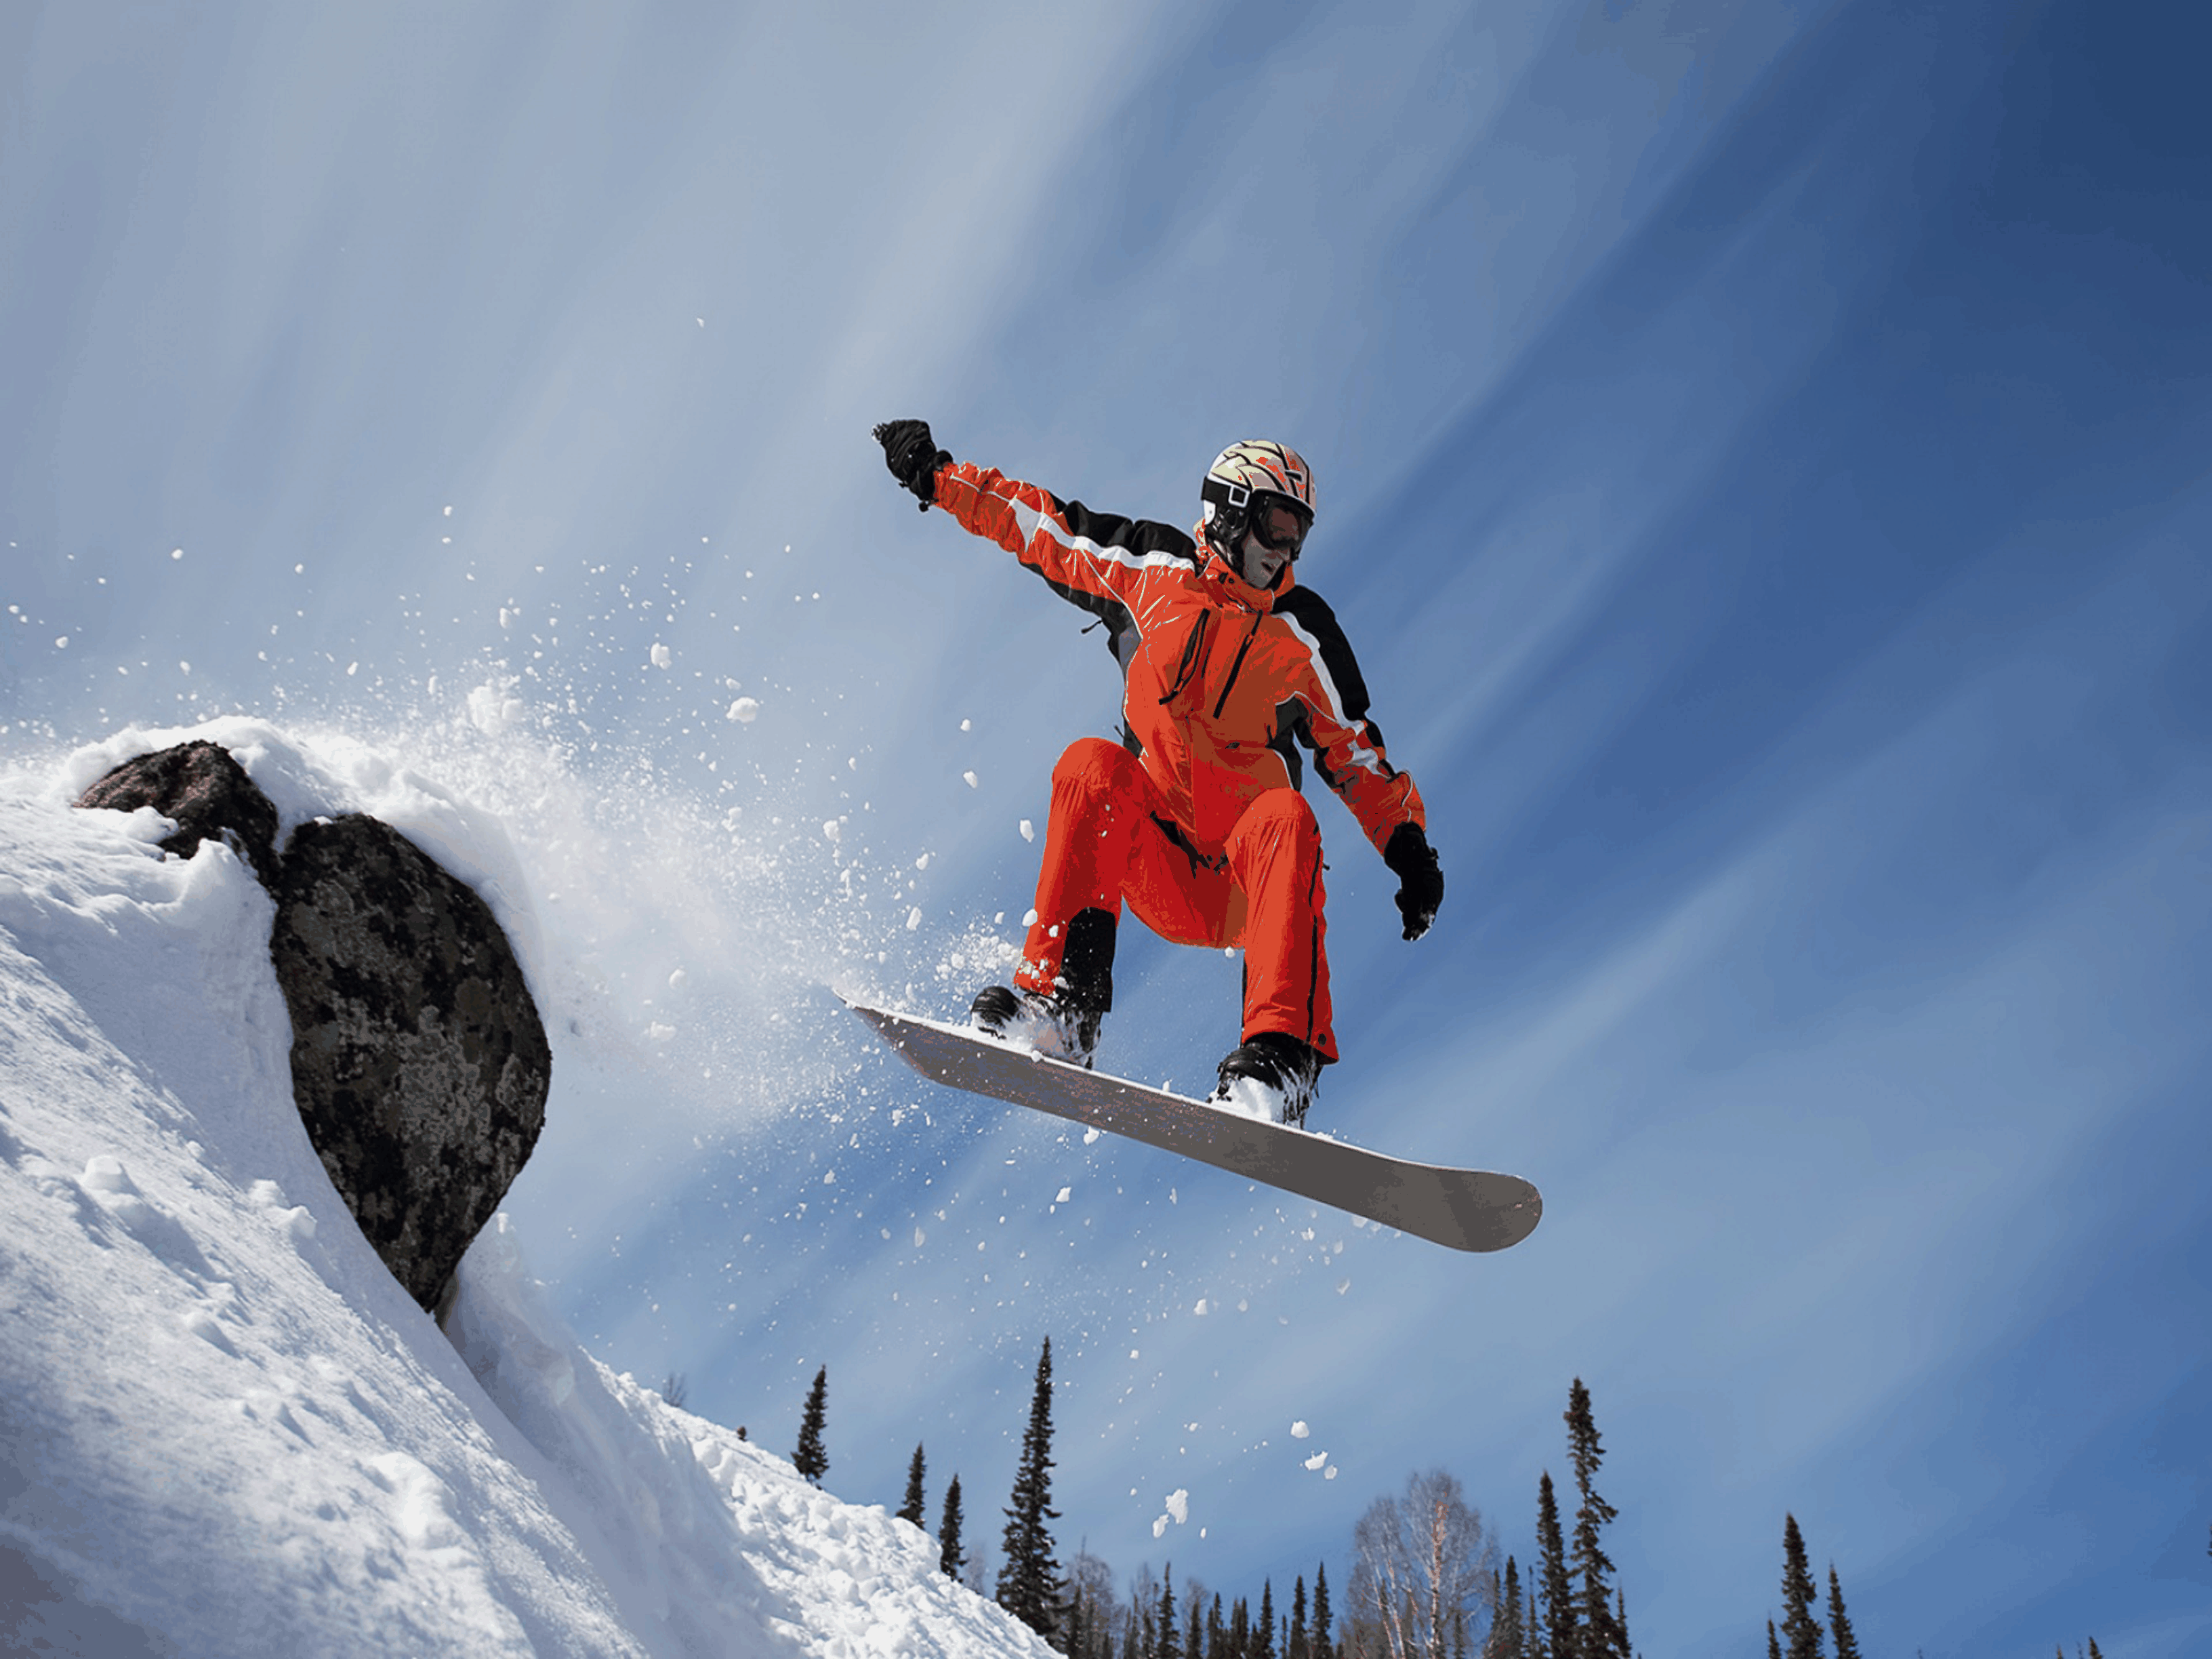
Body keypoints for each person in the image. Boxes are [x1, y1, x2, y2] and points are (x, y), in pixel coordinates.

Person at [871, 419, 1443, 1126]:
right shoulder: (1150, 568)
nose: (1287, 549)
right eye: (1278, 524)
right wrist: (938, 477)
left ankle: (1278, 1062)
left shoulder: (1303, 632)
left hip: (1243, 885)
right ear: (1231, 511)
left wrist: (1409, 851)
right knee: (1092, 764)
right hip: (1157, 864)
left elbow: (1356, 753)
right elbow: (1040, 527)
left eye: (1300, 534)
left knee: (1287, 814)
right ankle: (1062, 1010)